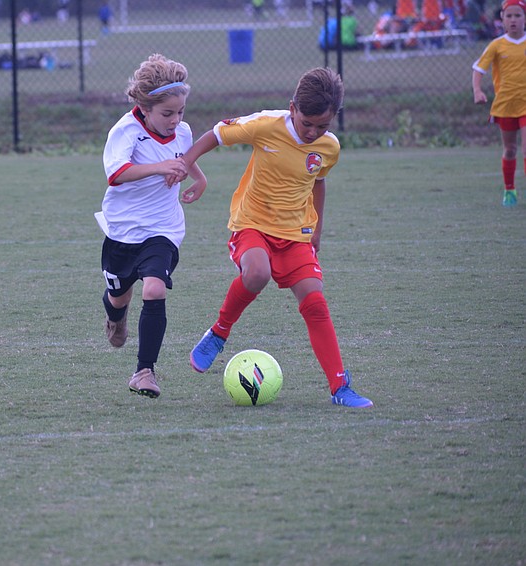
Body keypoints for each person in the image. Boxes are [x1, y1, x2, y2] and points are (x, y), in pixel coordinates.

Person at [181, 67, 374, 408]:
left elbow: (318, 181)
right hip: (252, 222)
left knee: (315, 302)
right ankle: (219, 332)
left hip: (296, 233)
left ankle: (340, 387)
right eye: (307, 124)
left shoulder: (329, 147)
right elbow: (217, 134)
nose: (314, 132)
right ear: (293, 108)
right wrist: (186, 163)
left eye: (323, 126)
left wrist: (318, 229)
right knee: (257, 273)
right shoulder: (266, 125)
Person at [98, 53, 207, 398]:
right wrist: (161, 168)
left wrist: (199, 179)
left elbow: (184, 160)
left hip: (163, 229)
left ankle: (144, 372)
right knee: (118, 297)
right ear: (145, 107)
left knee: (155, 288)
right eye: (167, 113)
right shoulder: (126, 131)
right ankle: (118, 316)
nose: (176, 120)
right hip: (122, 231)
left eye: (180, 112)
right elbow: (116, 175)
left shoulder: (183, 131)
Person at [472, 0, 526, 207]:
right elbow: (478, 69)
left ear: (525, 18)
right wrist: (477, 90)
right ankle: (509, 190)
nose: (513, 20)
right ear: (502, 19)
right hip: (505, 105)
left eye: (518, 15)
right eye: (509, 16)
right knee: (510, 149)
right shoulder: (497, 45)